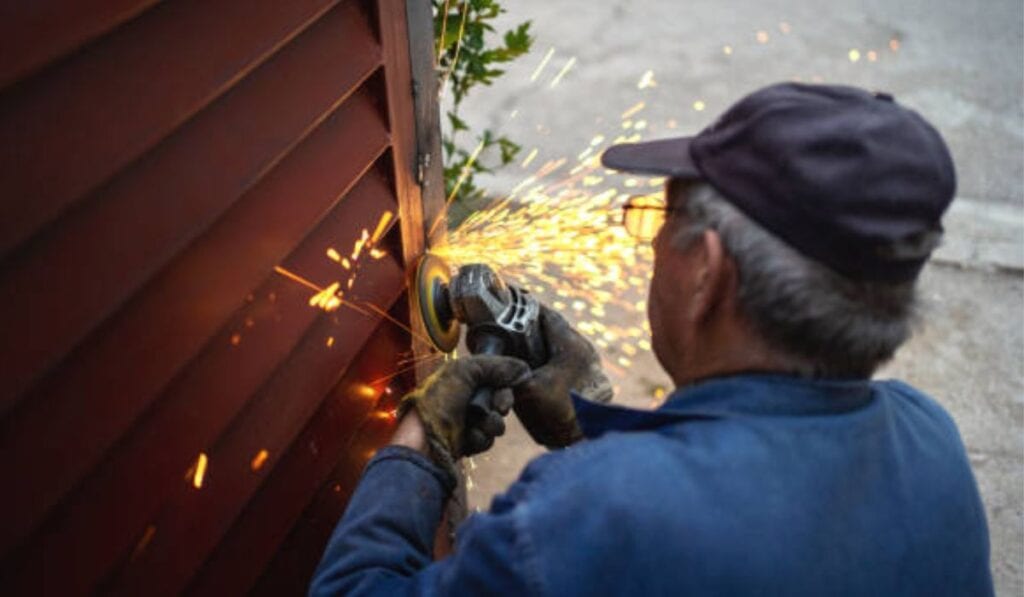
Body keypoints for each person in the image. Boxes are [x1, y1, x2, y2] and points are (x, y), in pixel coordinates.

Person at [308, 83, 993, 596]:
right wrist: (587, 428)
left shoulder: (579, 516)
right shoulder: (928, 438)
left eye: (660, 217)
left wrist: (421, 439)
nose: (653, 241)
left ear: (708, 271)